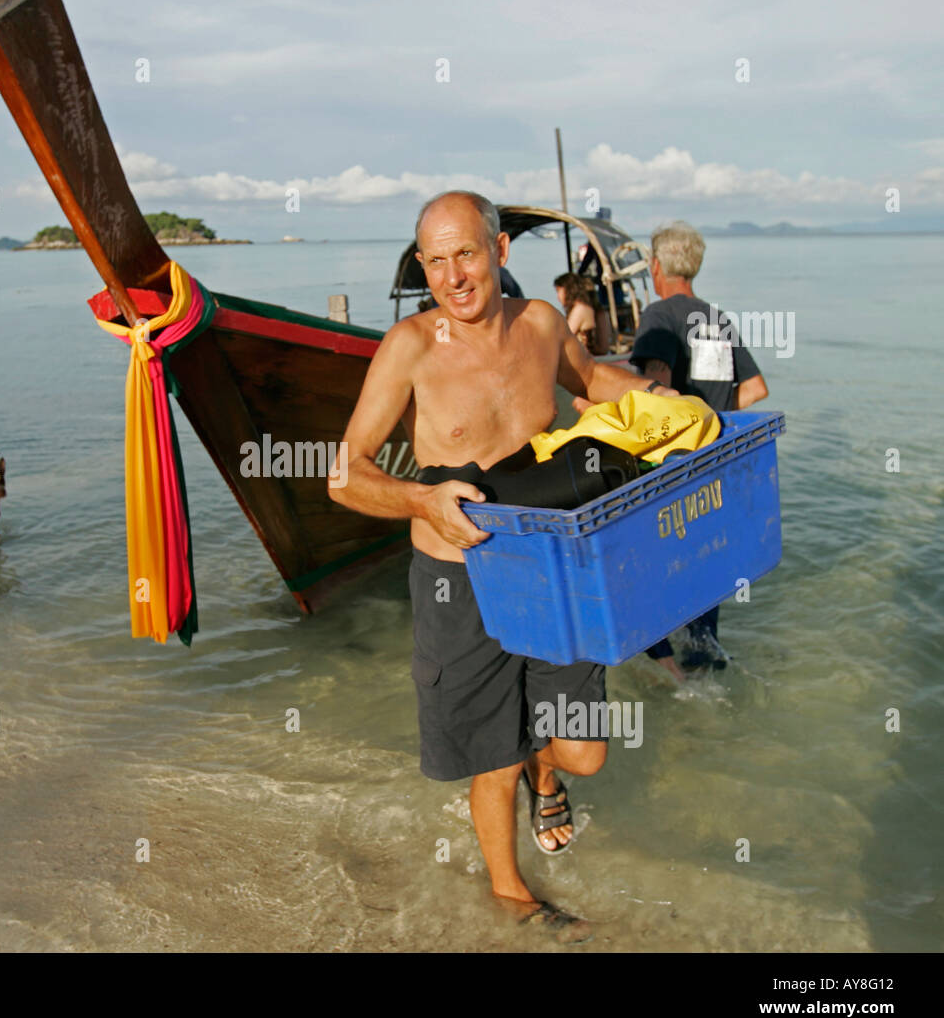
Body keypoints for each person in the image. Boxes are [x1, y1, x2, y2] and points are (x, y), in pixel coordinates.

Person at [328, 191, 679, 942]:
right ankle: (512, 892)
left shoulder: (542, 325)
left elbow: (591, 383)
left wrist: (665, 401)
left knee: (582, 749)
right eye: (436, 260)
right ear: (422, 267)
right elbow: (345, 473)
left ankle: (546, 775)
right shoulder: (410, 348)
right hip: (461, 577)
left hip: (553, 567)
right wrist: (422, 501)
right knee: (492, 755)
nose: (454, 275)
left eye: (467, 253)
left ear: (500, 253)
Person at [631, 221, 769, 671]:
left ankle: (668, 674)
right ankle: (703, 660)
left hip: (674, 465)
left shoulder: (658, 316)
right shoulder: (716, 319)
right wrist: (717, 411)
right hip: (719, 464)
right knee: (705, 564)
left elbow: (659, 389)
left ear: (656, 265)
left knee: (649, 571)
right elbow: (756, 388)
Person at [554, 271, 611, 355]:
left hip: (587, 360)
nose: (558, 296)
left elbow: (563, 338)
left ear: (568, 289)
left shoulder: (580, 309)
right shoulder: (594, 309)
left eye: (558, 291)